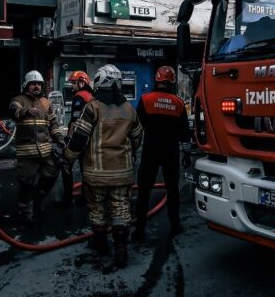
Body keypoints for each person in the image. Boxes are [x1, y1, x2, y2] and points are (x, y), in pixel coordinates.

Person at [63, 64, 143, 267]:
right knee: (121, 207)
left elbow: (79, 139)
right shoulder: (129, 109)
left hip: (96, 173)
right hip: (122, 173)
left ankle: (100, 242)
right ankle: (121, 249)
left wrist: (67, 158)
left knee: (97, 208)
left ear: (99, 82)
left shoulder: (93, 107)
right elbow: (137, 138)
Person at [134, 66, 190, 241]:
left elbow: (136, 128)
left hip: (150, 150)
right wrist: (187, 154)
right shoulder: (178, 103)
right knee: (172, 190)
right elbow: (185, 133)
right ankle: (175, 225)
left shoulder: (146, 100)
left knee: (144, 190)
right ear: (172, 82)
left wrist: (133, 149)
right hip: (170, 151)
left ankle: (139, 229)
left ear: (157, 80)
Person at [9, 70, 65, 225]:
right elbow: (13, 110)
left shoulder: (46, 103)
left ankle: (37, 200)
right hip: (27, 152)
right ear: (26, 85)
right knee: (26, 184)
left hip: (45, 150)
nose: (36, 87)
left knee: (51, 173)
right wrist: (26, 111)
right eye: (33, 84)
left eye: (39, 84)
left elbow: (53, 124)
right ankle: (25, 213)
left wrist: (60, 139)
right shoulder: (18, 100)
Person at [60, 71, 94, 209]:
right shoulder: (92, 96)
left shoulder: (79, 96)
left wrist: (68, 139)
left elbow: (75, 120)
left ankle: (67, 199)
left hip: (78, 138)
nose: (72, 86)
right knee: (85, 169)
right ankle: (85, 198)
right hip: (89, 139)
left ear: (81, 83)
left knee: (66, 165)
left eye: (74, 83)